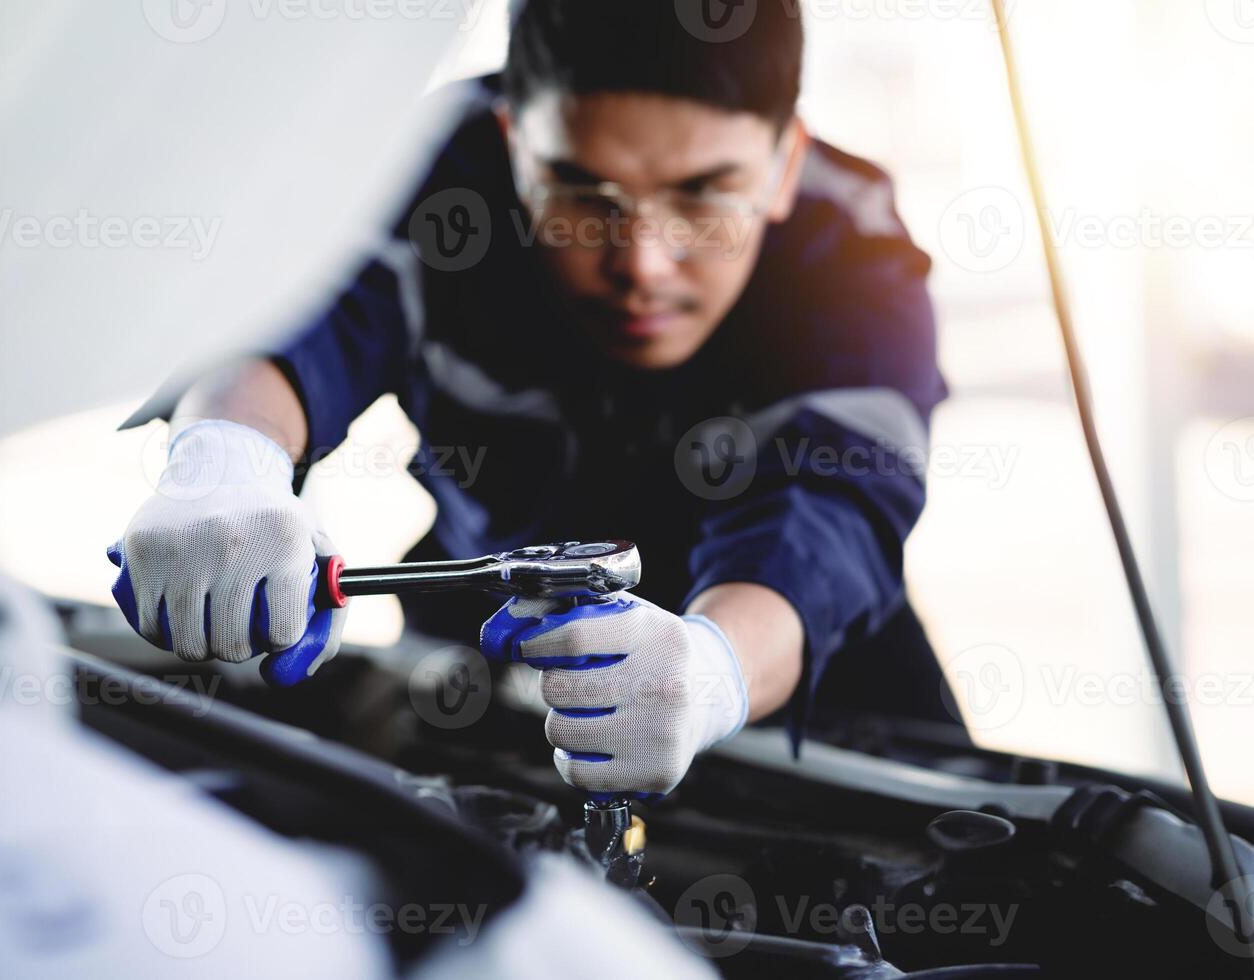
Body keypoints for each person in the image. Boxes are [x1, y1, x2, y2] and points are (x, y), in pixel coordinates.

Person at [110, 0, 958, 799]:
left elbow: (834, 501)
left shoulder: (851, 239)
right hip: (484, 645)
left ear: (785, 166)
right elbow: (300, 323)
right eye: (583, 192)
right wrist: (227, 460)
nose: (643, 266)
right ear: (513, 138)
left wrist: (714, 673)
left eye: (703, 194)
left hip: (805, 667)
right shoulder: (429, 162)